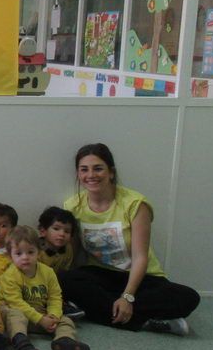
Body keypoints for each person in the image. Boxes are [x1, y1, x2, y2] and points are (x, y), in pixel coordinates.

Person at [61, 143, 200, 335]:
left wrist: (127, 297)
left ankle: (108, 311)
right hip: (101, 275)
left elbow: (140, 257)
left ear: (111, 172)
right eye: (84, 169)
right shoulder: (73, 206)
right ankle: (146, 322)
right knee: (62, 279)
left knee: (188, 297)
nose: (91, 175)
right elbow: (72, 252)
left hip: (140, 277)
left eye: (98, 168)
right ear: (78, 174)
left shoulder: (135, 204)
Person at [0, 226, 89, 350]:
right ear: (10, 256)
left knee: (66, 320)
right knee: (16, 315)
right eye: (19, 253)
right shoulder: (9, 276)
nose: (25, 257)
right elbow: (16, 302)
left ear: (39, 253)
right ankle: (20, 340)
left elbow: (55, 297)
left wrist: (53, 316)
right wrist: (41, 320)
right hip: (10, 310)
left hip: (38, 313)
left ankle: (64, 340)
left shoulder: (48, 272)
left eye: (30, 252)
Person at [37, 206, 86, 321]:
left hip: (58, 284)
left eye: (67, 231)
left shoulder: (68, 249)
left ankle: (66, 304)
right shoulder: (37, 252)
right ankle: (60, 306)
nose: (62, 234)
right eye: (56, 228)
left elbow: (66, 271)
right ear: (43, 231)